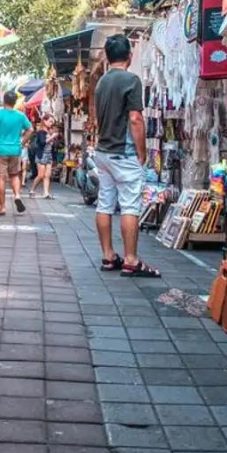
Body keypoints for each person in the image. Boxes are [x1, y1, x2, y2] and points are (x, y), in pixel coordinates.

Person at [93, 33, 159, 277]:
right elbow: (135, 118)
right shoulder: (131, 80)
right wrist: (142, 153)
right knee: (130, 206)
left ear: (109, 58)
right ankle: (131, 259)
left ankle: (108, 255)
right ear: (130, 57)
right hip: (124, 152)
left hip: (103, 152)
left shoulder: (101, 82)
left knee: (105, 203)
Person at [0, 91, 32, 215]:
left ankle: (2, 207)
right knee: (15, 175)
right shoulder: (20, 116)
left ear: (4, 101)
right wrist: (22, 143)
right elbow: (30, 130)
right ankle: (17, 195)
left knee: (1, 178)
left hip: (1, 150)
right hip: (15, 150)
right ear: (15, 102)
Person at [28, 116, 59, 198]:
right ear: (44, 121)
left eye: (52, 122)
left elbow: (51, 144)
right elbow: (42, 143)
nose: (51, 123)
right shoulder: (41, 131)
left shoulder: (49, 131)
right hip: (41, 155)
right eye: (50, 121)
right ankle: (32, 190)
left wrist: (53, 139)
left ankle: (46, 193)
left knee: (47, 175)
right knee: (41, 175)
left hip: (49, 154)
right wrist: (52, 137)